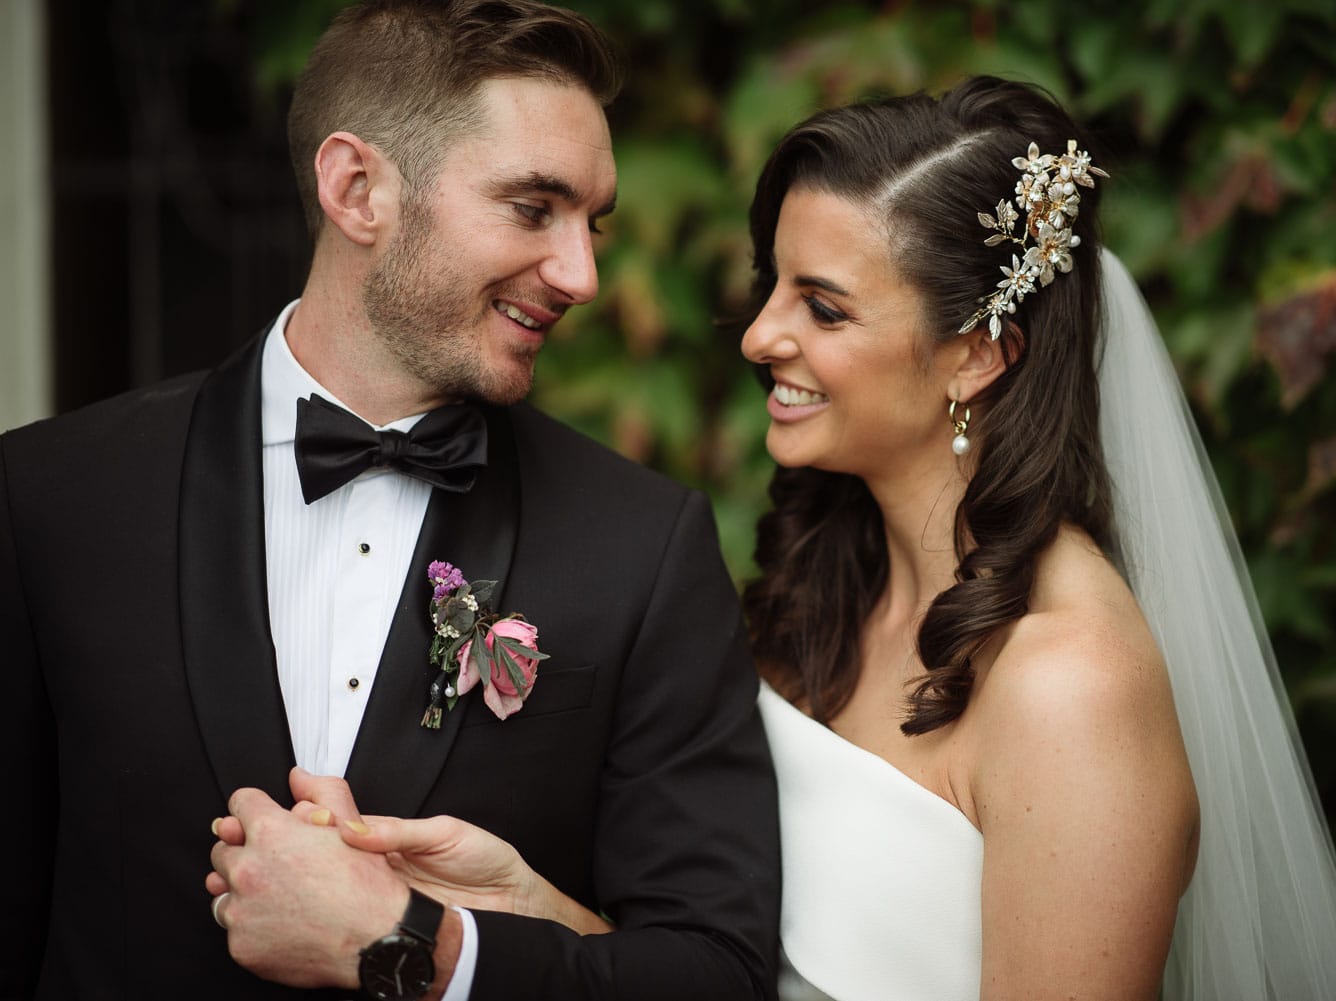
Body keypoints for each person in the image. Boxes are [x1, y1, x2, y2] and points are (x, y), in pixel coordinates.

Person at [290, 76, 1336, 1001]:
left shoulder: (1067, 683)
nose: (762, 333)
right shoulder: (829, 588)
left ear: (977, 355)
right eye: (775, 284)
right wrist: (518, 902)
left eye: (824, 305)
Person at [0, 1, 779, 998]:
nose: (582, 273)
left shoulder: (645, 543)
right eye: (534, 208)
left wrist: (427, 946)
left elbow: (714, 971)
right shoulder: (52, 497)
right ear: (357, 187)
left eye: (593, 222)